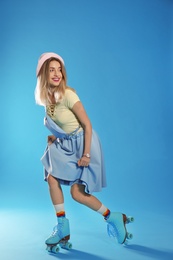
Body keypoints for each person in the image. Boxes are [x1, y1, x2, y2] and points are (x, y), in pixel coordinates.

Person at [35, 52, 133, 248]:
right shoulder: (48, 97)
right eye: (51, 70)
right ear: (43, 74)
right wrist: (56, 135)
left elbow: (87, 125)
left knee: (77, 193)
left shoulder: (68, 94)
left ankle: (112, 217)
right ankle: (63, 226)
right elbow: (67, 123)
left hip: (83, 145)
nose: (56, 74)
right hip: (67, 144)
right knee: (52, 177)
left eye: (59, 69)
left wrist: (86, 154)